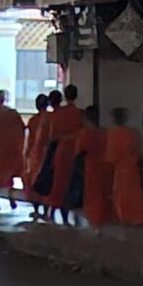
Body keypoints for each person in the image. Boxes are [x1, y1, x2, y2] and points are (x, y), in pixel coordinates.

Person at [105, 107, 143, 228]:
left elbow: (111, 157)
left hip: (120, 170)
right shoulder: (134, 133)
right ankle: (136, 218)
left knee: (120, 196)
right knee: (134, 195)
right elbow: (141, 151)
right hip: (132, 169)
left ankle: (123, 219)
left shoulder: (112, 134)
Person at [49, 84, 85, 225]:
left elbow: (52, 136)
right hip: (76, 151)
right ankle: (66, 214)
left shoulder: (58, 114)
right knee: (72, 184)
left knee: (59, 184)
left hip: (62, 151)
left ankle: (53, 212)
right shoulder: (79, 114)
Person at [0, 90, 24, 211]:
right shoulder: (12, 113)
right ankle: (11, 198)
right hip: (10, 150)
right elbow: (21, 129)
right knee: (9, 176)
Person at [76, 106, 113, 230]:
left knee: (92, 194)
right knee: (103, 193)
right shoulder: (105, 133)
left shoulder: (84, 134)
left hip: (91, 167)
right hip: (105, 167)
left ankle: (94, 221)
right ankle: (103, 220)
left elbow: (79, 152)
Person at [24, 94, 54, 219]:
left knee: (34, 184)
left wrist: (26, 155)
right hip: (50, 156)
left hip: (36, 157)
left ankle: (36, 209)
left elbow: (30, 141)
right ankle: (47, 212)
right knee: (48, 183)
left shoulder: (33, 120)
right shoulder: (52, 118)